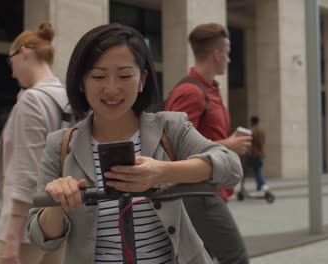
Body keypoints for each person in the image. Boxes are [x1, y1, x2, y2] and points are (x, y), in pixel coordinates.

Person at [26, 23, 243, 264]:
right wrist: (58, 201)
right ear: (81, 82)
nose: (111, 88)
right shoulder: (60, 145)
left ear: (142, 79)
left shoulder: (171, 127)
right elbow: (41, 238)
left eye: (125, 75)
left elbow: (231, 167)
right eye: (98, 76)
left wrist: (162, 172)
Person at [164, 23, 251, 264]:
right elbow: (173, 147)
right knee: (235, 256)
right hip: (198, 192)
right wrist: (227, 145)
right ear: (217, 54)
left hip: (207, 189)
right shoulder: (191, 92)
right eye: (228, 51)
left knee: (199, 258)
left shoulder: (209, 89)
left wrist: (226, 143)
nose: (230, 59)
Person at [0, 22, 68, 264]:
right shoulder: (65, 98)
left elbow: (27, 172)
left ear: (24, 53)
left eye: (10, 62)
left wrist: (12, 236)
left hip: (26, 227)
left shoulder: (32, 101)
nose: (12, 73)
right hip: (59, 222)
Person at [250, 115, 268, 192]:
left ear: (252, 122)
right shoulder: (262, 130)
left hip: (256, 154)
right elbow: (263, 142)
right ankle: (259, 186)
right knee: (258, 170)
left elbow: (255, 143)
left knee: (257, 171)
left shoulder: (253, 131)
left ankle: (264, 185)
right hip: (261, 154)